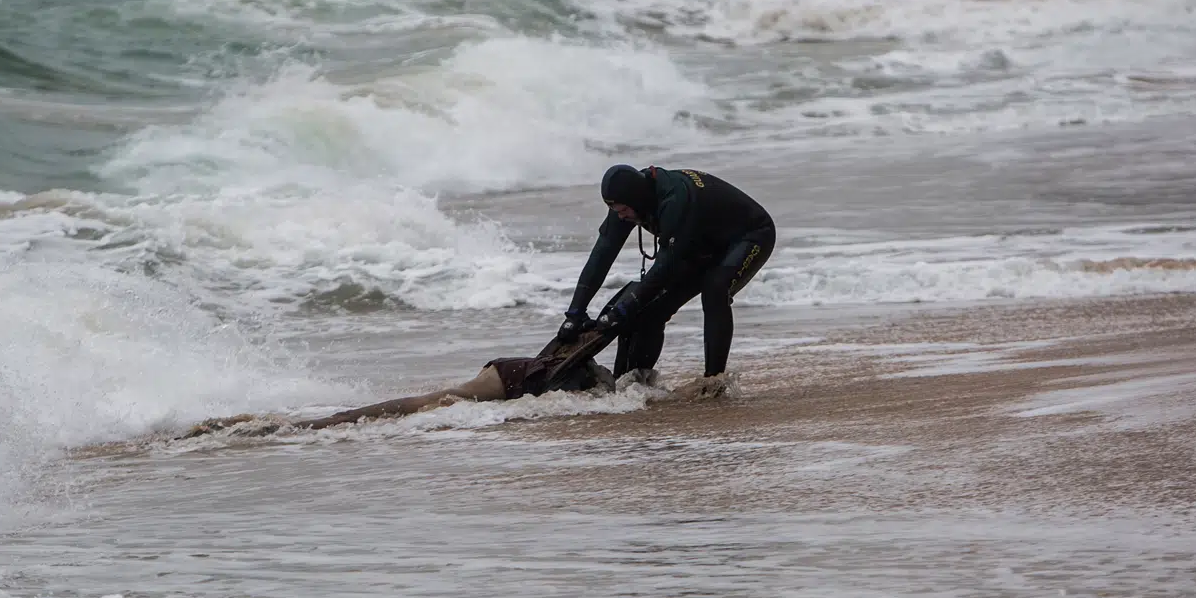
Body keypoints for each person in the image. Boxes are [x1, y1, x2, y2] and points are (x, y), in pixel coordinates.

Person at [557, 164, 776, 387]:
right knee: (650, 311)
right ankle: (633, 385)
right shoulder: (628, 200)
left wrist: (622, 310)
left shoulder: (675, 199)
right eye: (616, 212)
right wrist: (575, 313)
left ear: (637, 200)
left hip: (750, 235)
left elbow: (664, 268)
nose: (621, 217)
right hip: (698, 243)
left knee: (715, 289)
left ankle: (714, 382)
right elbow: (602, 255)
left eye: (623, 210)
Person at [181, 350, 615, 438]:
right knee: (414, 407)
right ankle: (279, 425)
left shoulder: (593, 373)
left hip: (506, 373)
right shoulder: (598, 385)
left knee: (415, 406)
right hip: (503, 378)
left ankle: (281, 424)